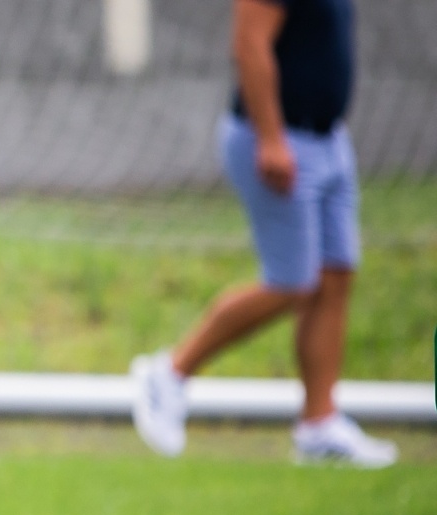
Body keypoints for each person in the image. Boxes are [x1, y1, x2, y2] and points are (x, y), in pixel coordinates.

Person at [131, 0, 396, 468]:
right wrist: (271, 138)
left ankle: (319, 424)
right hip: (280, 141)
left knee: (335, 277)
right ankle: (169, 373)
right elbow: (249, 43)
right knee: (292, 283)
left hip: (329, 139)